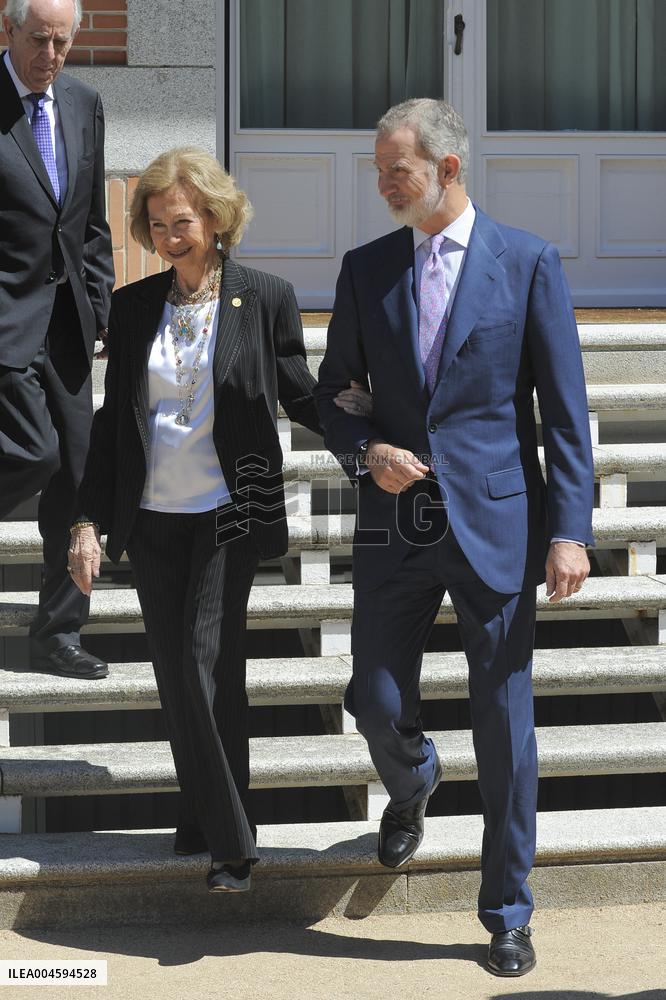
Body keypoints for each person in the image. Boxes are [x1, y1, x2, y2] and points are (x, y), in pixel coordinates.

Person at [314, 98, 593, 977]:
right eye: (379, 170)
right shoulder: (366, 270)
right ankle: (414, 779)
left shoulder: (528, 262)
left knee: (505, 727)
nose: (385, 184)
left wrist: (571, 533)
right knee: (374, 698)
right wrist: (367, 452)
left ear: (448, 168)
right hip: (397, 522)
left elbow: (565, 413)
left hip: (501, 524)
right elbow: (333, 396)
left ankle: (507, 910)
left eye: (398, 169)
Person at [68, 146, 371, 894]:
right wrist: (87, 521)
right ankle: (202, 816)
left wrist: (367, 426)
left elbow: (300, 390)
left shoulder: (263, 295)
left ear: (215, 217)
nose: (171, 235)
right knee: (188, 678)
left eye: (184, 220)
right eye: (157, 223)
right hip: (151, 516)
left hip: (230, 515)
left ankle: (232, 847)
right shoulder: (135, 308)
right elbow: (113, 426)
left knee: (200, 666)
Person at [0, 0, 115, 679]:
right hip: (6, 320)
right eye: (38, 40)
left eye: (62, 42)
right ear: (8, 31)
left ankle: (56, 633)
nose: (50, 55)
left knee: (77, 469)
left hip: (68, 321)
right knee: (35, 454)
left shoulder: (82, 101)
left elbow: (89, 220)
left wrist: (98, 301)